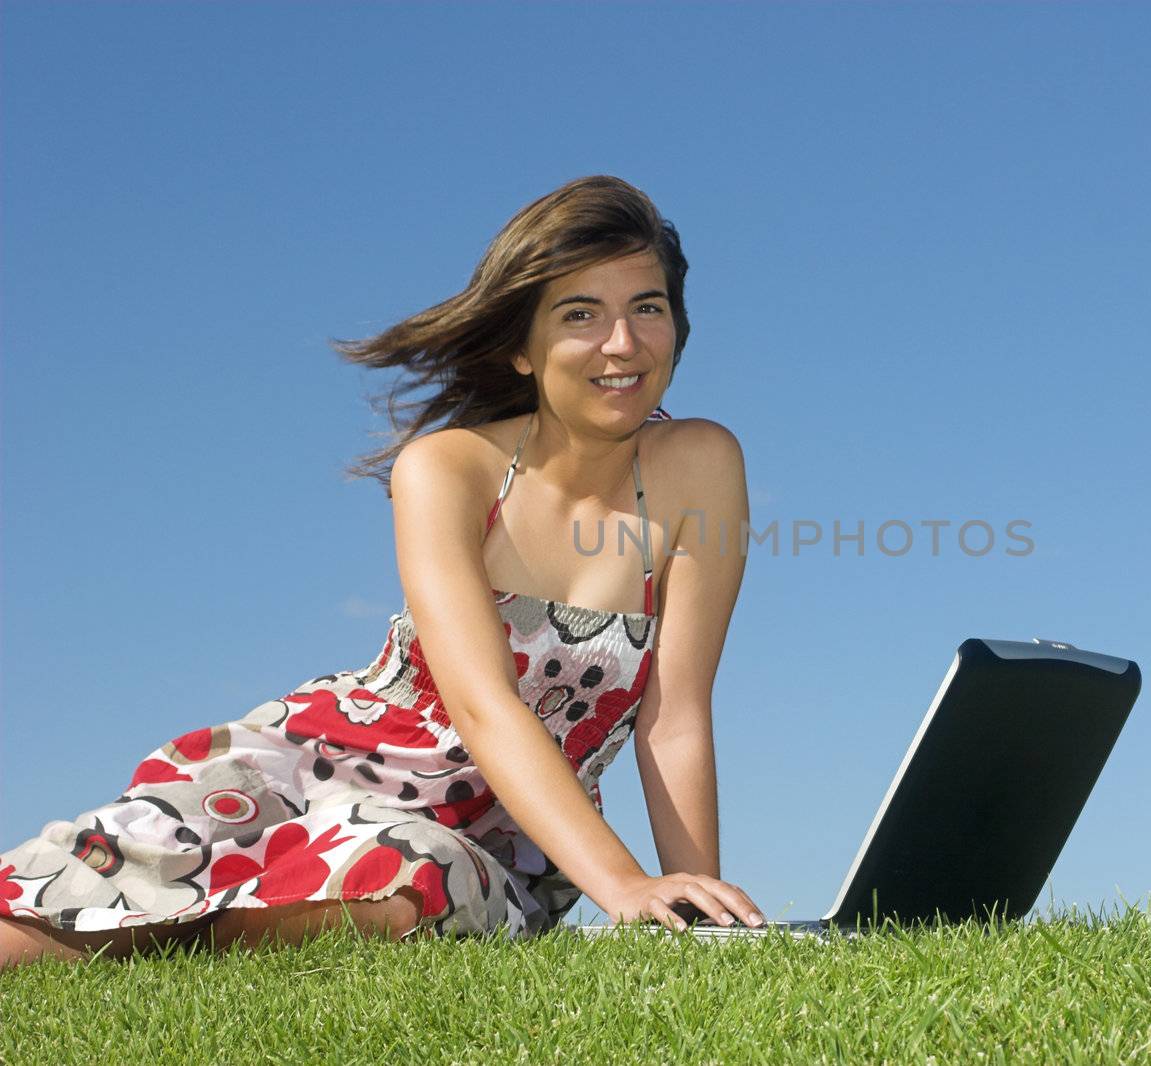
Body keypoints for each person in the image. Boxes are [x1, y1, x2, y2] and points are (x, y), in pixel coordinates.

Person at [0, 174, 763, 970]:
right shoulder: (448, 468)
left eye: (648, 307)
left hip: (497, 834)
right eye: (581, 314)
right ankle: (139, 926)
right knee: (40, 910)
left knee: (404, 885)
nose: (623, 343)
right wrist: (622, 880)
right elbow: (480, 700)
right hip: (316, 766)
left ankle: (156, 942)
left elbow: (674, 716)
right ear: (520, 348)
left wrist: (692, 910)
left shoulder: (699, 464)